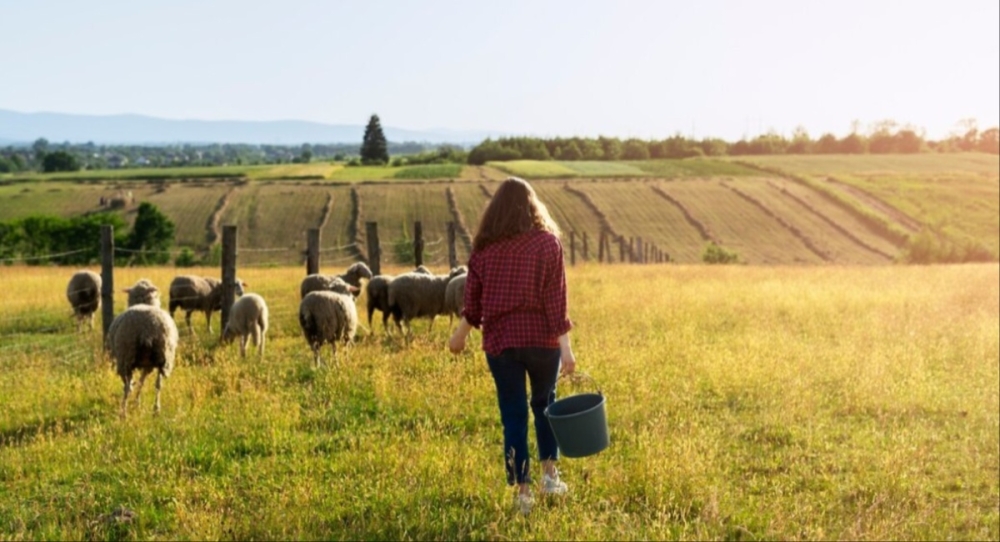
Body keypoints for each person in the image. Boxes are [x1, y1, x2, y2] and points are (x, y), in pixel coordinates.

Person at [448, 176, 577, 516]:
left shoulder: (484, 250)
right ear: (533, 206)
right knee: (545, 405)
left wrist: (459, 336)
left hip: (501, 345)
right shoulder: (549, 244)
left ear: (495, 210)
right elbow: (555, 302)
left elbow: (473, 306)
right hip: (542, 342)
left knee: (513, 415)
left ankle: (523, 494)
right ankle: (550, 476)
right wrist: (566, 349)